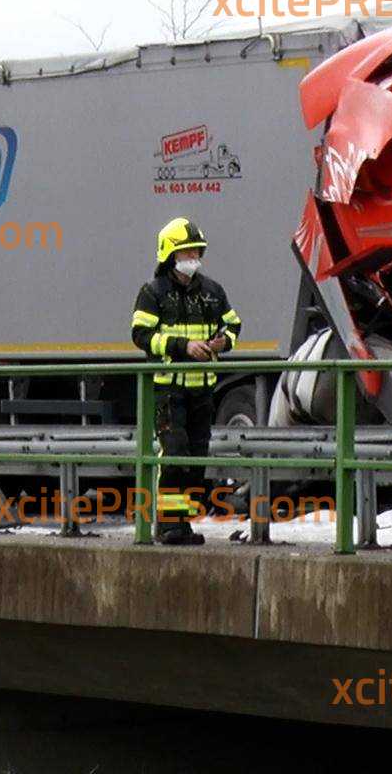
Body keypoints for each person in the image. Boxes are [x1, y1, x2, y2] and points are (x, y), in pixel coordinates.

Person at [129, 218, 241, 545]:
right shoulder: (153, 293)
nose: (193, 256)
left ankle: (183, 524)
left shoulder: (212, 292)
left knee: (195, 460)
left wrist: (224, 341)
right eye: (186, 251)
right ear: (170, 255)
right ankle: (167, 525)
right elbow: (141, 335)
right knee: (175, 453)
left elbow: (234, 325)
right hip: (167, 389)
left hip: (202, 390)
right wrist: (182, 346)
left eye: (196, 250)